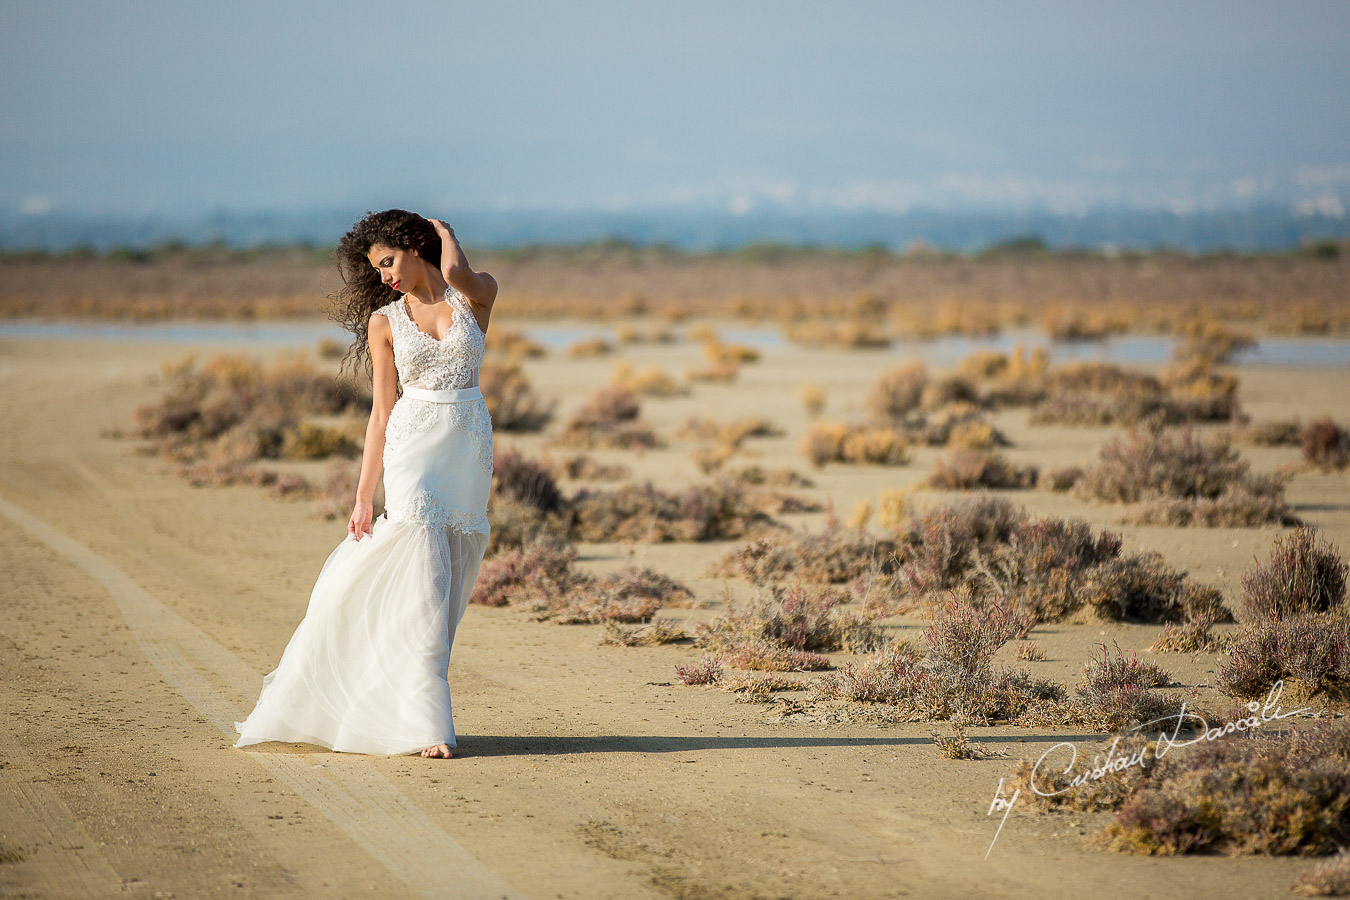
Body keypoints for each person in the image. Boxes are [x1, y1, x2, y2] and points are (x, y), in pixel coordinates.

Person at [234, 209, 497, 759]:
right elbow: (381, 413)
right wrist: (362, 496)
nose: (384, 276)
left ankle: (403, 701)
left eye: (389, 262)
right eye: (376, 269)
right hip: (414, 448)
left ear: (415, 246)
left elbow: (459, 275)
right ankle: (430, 725)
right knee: (424, 573)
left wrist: (445, 237)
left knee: (449, 576)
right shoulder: (385, 321)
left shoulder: (475, 296)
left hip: (467, 449)